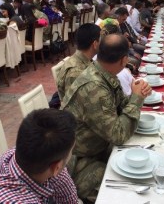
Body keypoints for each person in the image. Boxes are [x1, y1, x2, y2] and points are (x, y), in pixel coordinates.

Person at [61, 34, 152, 201]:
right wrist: (137, 99)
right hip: (80, 163)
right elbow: (118, 135)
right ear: (124, 60)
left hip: (99, 147)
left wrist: (135, 94)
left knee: (141, 160)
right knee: (130, 190)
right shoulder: (95, 87)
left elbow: (120, 105)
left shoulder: (102, 72)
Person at [0, 109, 78, 203]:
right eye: (71, 151)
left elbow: (69, 200)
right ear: (56, 167)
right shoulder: (10, 199)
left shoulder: (33, 154)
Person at [57, 23, 101, 101]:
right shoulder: (75, 72)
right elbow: (75, 107)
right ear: (95, 44)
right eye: (101, 40)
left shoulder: (86, 60)